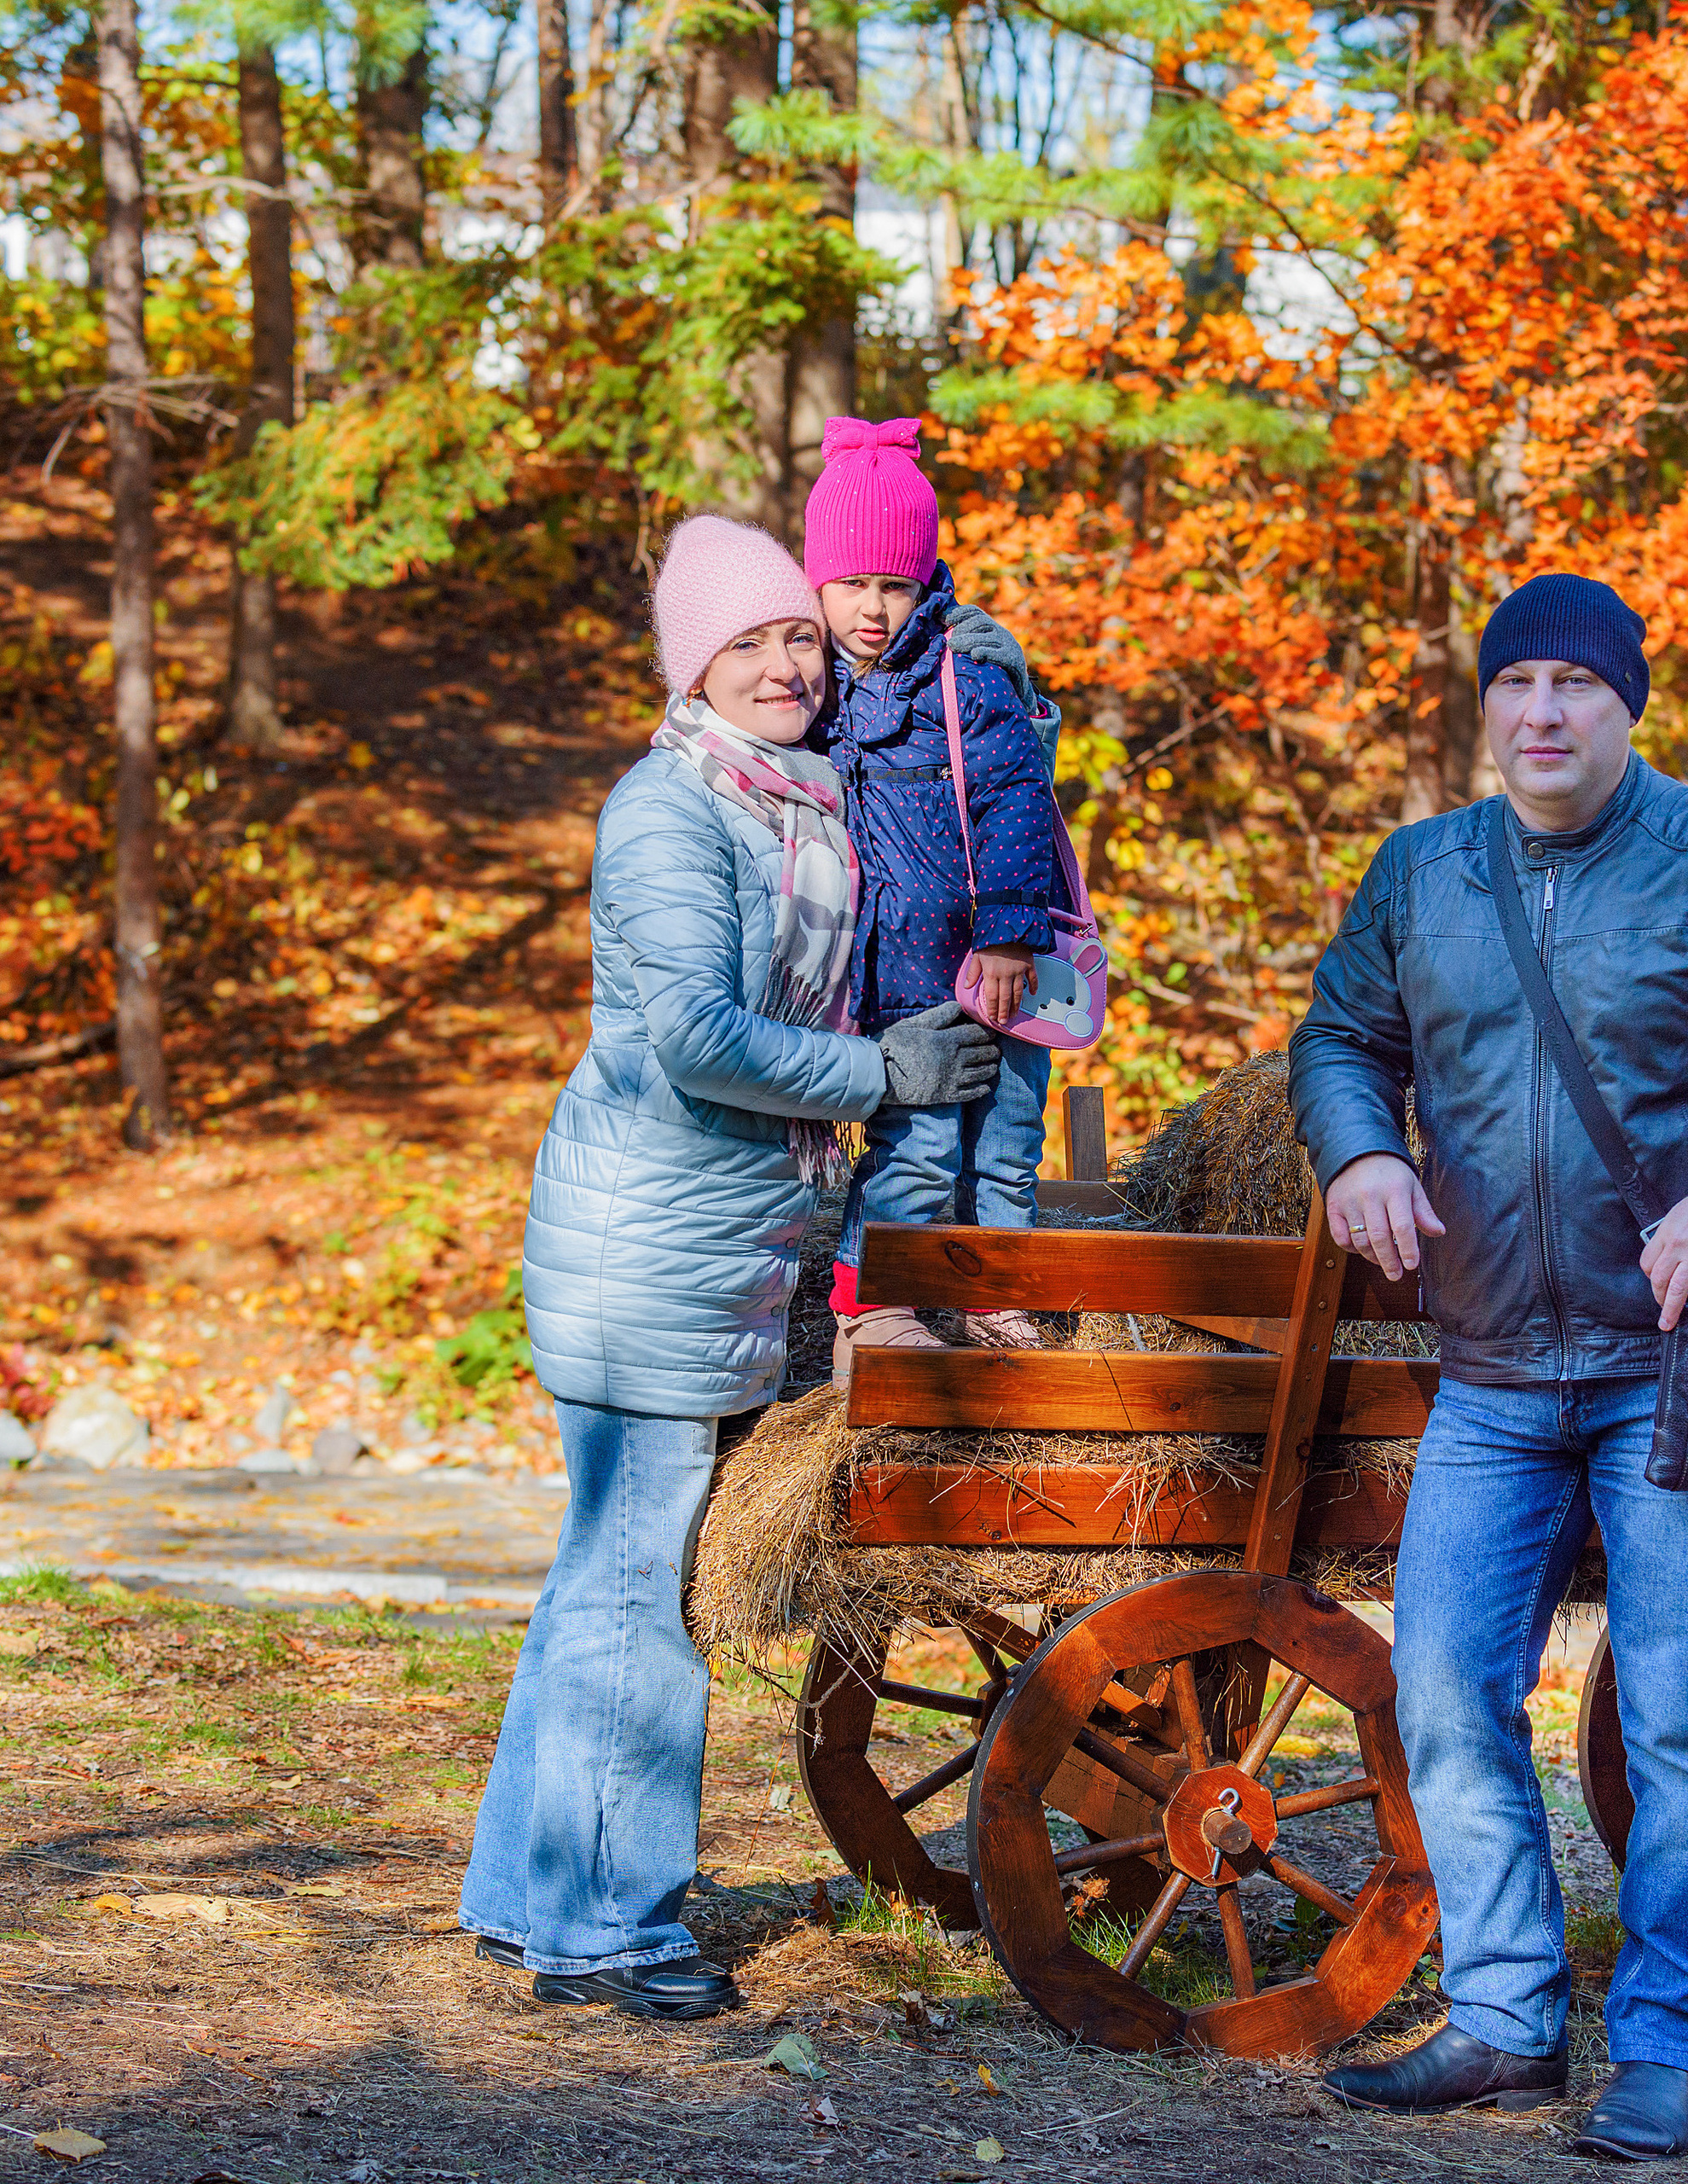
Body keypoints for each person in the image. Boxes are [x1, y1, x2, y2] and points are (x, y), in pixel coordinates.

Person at [1287, 573, 1688, 2157]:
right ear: (1485, 705)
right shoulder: (1425, 871)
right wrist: (1360, 1145)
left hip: (1674, 1366)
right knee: (1443, 1694)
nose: (1544, 714)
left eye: (1578, 684)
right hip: (1493, 1369)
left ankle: (1663, 2044)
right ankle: (1507, 2019)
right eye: (1517, 684)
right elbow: (1339, 1038)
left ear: (1627, 706)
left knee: (1687, 1719)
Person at [460, 516, 1000, 2022]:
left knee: (600, 1581)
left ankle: (530, 1902)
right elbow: (697, 1036)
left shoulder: (797, 803)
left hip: (717, 1254)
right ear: (693, 665)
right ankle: (612, 1928)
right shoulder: (670, 814)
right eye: (749, 642)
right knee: (640, 1590)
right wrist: (881, 1069)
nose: (784, 664)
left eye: (801, 640)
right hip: (647, 1254)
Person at [803, 415, 1064, 1385]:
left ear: (925, 581)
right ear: (817, 581)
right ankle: (871, 1312)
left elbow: (1013, 803)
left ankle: (999, 1294)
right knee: (912, 1147)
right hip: (893, 977)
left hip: (994, 962)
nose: (872, 608)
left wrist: (1008, 932)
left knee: (1006, 1141)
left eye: (894, 584)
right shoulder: (809, 687)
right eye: (851, 583)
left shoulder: (966, 674)